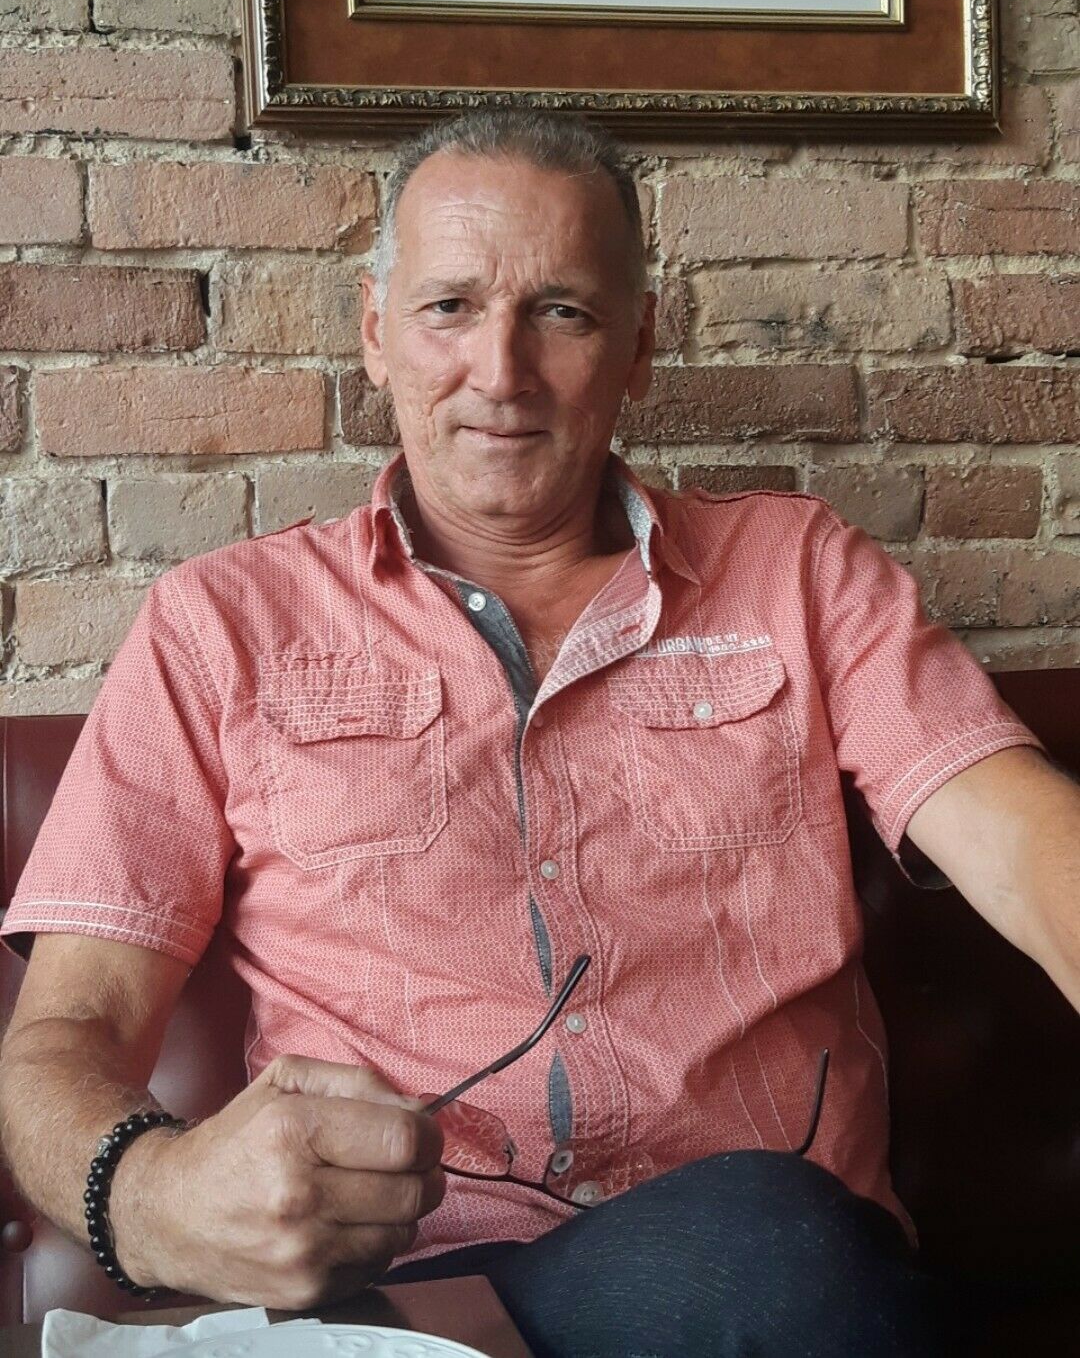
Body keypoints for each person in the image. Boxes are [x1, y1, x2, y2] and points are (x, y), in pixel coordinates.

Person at [1, 109, 1077, 1358]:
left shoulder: (799, 573)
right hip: (402, 1305)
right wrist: (153, 1200)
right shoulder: (220, 627)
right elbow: (62, 1039)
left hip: (772, 1293)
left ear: (640, 345)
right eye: (449, 308)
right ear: (375, 332)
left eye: (560, 311)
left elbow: (1024, 842)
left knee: (767, 1239)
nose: (500, 371)